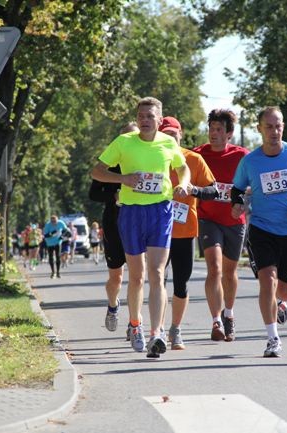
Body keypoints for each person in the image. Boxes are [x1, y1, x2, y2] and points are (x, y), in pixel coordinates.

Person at [91, 97, 191, 358]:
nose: (145, 120)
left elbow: (183, 168)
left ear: (160, 120)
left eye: (150, 116)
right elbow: (97, 171)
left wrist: (183, 184)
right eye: (141, 116)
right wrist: (123, 178)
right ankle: (135, 324)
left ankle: (156, 334)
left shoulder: (168, 143)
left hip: (160, 210)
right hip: (131, 213)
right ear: (137, 120)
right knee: (137, 276)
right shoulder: (124, 143)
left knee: (157, 273)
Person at [230, 106, 287, 357]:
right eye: (268, 126)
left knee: (285, 288)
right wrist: (236, 204)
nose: (274, 131)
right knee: (267, 279)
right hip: (261, 228)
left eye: (278, 125)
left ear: (283, 126)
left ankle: (280, 303)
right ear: (259, 129)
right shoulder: (250, 161)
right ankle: (272, 338)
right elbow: (237, 189)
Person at [159, 116, 217, 350]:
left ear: (180, 135)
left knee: (181, 283)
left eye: (174, 134)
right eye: (166, 134)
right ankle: (158, 329)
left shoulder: (194, 159)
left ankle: (176, 329)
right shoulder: (153, 158)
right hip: (157, 233)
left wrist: (193, 190)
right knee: (157, 282)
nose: (171, 138)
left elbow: (213, 190)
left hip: (184, 231)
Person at [193, 109, 249, 342]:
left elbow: (252, 185)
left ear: (229, 134)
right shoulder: (198, 155)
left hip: (234, 221)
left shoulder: (242, 156)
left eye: (218, 130)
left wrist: (243, 202)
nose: (213, 134)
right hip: (208, 219)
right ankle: (216, 320)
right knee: (214, 268)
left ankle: (229, 314)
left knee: (229, 272)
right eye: (211, 129)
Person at [95, 122, 140, 336]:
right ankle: (113, 306)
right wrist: (113, 195)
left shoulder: (145, 162)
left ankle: (135, 323)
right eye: (125, 138)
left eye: (134, 137)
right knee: (117, 278)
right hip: (114, 224)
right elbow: (93, 193)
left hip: (140, 223)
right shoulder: (109, 163)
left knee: (138, 277)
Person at [43, 215, 69, 279]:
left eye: (55, 221)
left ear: (57, 220)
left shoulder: (61, 223)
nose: (54, 223)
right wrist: (51, 233)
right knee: (51, 257)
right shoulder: (47, 225)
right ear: (50, 221)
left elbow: (66, 231)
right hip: (50, 243)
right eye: (53, 222)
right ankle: (53, 272)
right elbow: (45, 235)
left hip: (58, 242)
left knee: (58, 256)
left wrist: (62, 236)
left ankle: (58, 272)